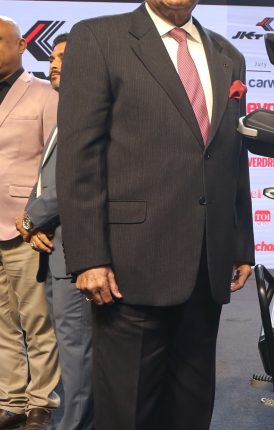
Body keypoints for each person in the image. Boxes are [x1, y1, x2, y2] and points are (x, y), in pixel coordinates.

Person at [56, 0, 254, 428]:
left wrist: (240, 243)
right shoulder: (98, 38)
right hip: (129, 266)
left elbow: (232, 156)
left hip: (206, 264)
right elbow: (79, 156)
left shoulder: (228, 55)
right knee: (128, 411)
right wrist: (89, 257)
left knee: (192, 408)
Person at [16, 32, 95, 430]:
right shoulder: (70, 112)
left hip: (78, 255)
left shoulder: (88, 114)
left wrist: (30, 220)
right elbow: (46, 180)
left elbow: (69, 183)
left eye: (65, 57)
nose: (54, 64)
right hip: (57, 251)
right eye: (52, 58)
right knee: (72, 349)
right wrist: (34, 224)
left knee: (78, 351)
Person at [0, 15, 60, 430]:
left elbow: (54, 165)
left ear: (22, 46)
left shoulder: (44, 94)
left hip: (26, 227)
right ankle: (12, 399)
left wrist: (43, 219)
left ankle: (42, 401)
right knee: (2, 323)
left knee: (38, 321)